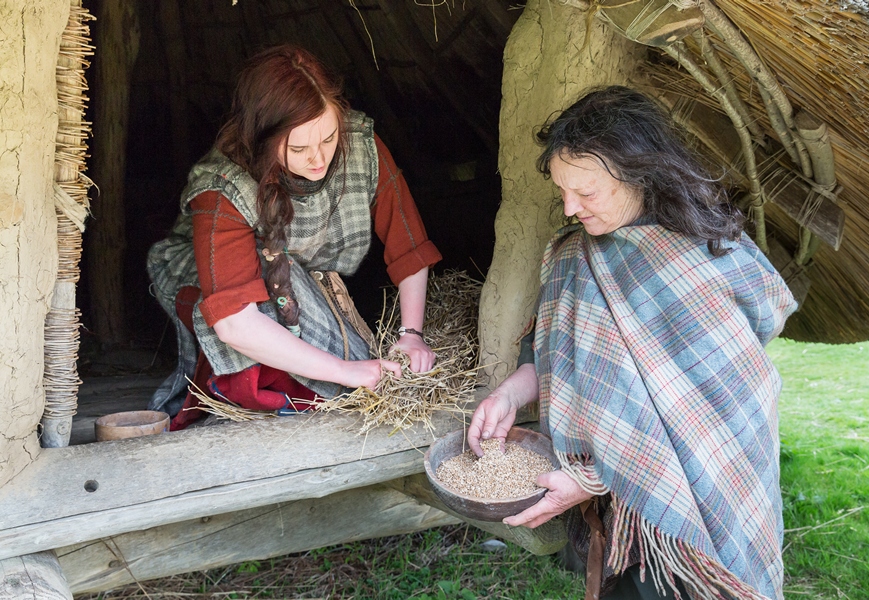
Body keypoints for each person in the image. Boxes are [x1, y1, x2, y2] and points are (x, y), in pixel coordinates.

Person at [468, 86, 797, 600]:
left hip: (703, 500)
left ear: (640, 174)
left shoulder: (699, 256)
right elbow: (555, 355)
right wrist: (510, 393)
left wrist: (595, 477)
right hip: (623, 523)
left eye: (587, 192)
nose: (571, 208)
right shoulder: (574, 257)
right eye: (562, 192)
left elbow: (714, 410)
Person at [147, 44, 442, 429]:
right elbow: (235, 322)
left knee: (337, 343)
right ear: (264, 140)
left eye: (329, 138)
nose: (319, 159)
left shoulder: (362, 144)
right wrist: (345, 371)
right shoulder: (222, 188)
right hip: (222, 285)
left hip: (302, 276)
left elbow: (409, 246)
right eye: (299, 148)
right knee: (285, 332)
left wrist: (412, 335)